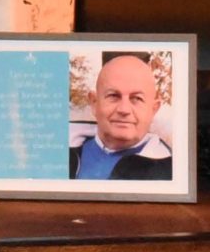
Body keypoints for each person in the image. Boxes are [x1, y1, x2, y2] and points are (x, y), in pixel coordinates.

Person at [70, 53, 172, 181]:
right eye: (113, 96)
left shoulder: (172, 173)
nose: (124, 109)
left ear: (153, 110)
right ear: (94, 103)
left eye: (137, 98)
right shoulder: (55, 150)